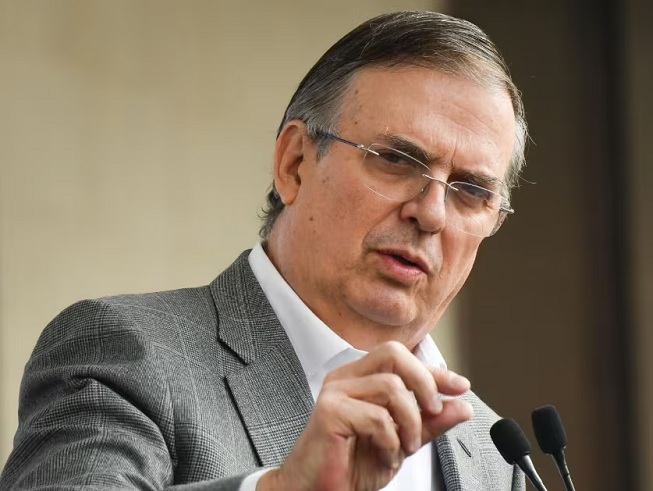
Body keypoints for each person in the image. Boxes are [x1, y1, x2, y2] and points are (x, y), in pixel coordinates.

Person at [0, 10, 528, 491]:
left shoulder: (495, 454)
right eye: (395, 160)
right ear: (294, 163)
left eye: (471, 191)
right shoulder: (124, 355)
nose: (431, 214)